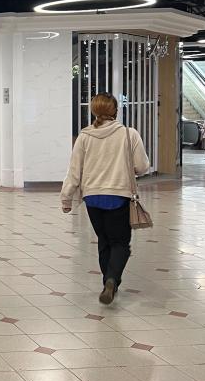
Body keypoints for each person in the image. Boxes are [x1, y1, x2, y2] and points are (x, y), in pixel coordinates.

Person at [60, 93, 151, 305]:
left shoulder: (84, 136)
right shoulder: (129, 134)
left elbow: (74, 171)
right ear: (116, 111)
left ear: (93, 111)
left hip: (92, 198)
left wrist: (66, 199)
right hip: (119, 196)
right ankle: (111, 280)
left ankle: (107, 282)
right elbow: (142, 166)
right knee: (120, 243)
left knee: (104, 241)